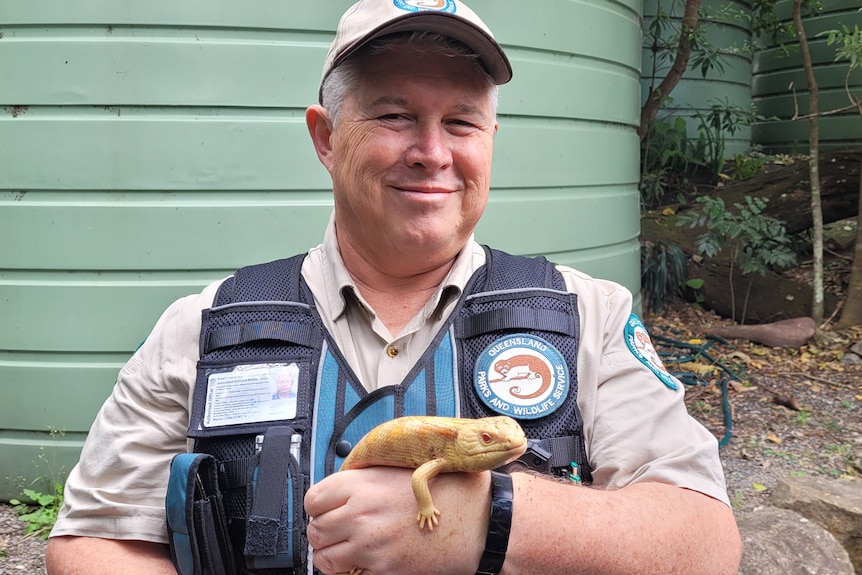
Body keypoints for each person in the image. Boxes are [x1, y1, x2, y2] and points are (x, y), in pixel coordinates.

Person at [46, 1, 742, 573]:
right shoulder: (204, 327)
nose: (433, 153)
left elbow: (707, 544)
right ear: (325, 138)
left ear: (491, 136)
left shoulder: (585, 315)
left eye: (461, 121)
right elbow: (91, 542)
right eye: (394, 115)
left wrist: (494, 519)